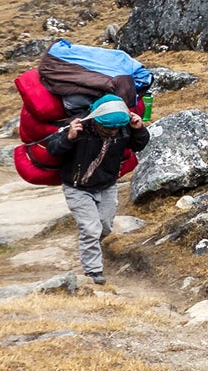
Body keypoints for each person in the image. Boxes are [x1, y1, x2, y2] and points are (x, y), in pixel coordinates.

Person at [41, 95, 152, 285]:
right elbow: (52, 149)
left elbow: (139, 145)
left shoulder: (124, 127)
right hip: (77, 187)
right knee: (91, 228)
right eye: (107, 128)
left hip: (107, 185)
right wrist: (69, 138)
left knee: (105, 226)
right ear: (95, 119)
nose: (112, 132)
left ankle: (90, 244)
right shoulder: (77, 126)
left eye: (115, 128)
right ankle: (93, 271)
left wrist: (139, 129)